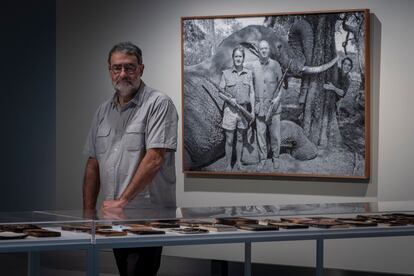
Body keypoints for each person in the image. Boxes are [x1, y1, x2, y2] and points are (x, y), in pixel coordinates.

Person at [82, 41, 178, 276]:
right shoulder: (103, 111)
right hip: (114, 218)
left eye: (129, 68)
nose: (123, 74)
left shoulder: (158, 104)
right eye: (117, 68)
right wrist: (88, 214)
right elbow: (93, 163)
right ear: (109, 70)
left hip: (148, 217)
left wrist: (122, 201)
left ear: (141, 69)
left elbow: (155, 159)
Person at [219, 46, 255, 171]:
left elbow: (251, 93)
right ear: (233, 58)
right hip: (230, 111)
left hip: (244, 111)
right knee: (229, 139)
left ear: (243, 58)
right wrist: (229, 100)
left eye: (240, 56)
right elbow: (220, 92)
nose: (238, 59)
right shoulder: (226, 73)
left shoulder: (249, 73)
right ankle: (228, 164)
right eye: (236, 56)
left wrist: (253, 110)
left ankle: (239, 163)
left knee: (240, 138)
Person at [250, 40, 283, 170]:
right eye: (261, 48)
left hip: (274, 107)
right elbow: (251, 87)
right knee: (260, 135)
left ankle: (276, 158)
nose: (263, 50)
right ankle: (262, 159)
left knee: (275, 135)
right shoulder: (253, 66)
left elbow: (281, 86)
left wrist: (278, 98)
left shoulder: (276, 65)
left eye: (265, 48)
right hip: (259, 107)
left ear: (269, 50)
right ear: (258, 50)